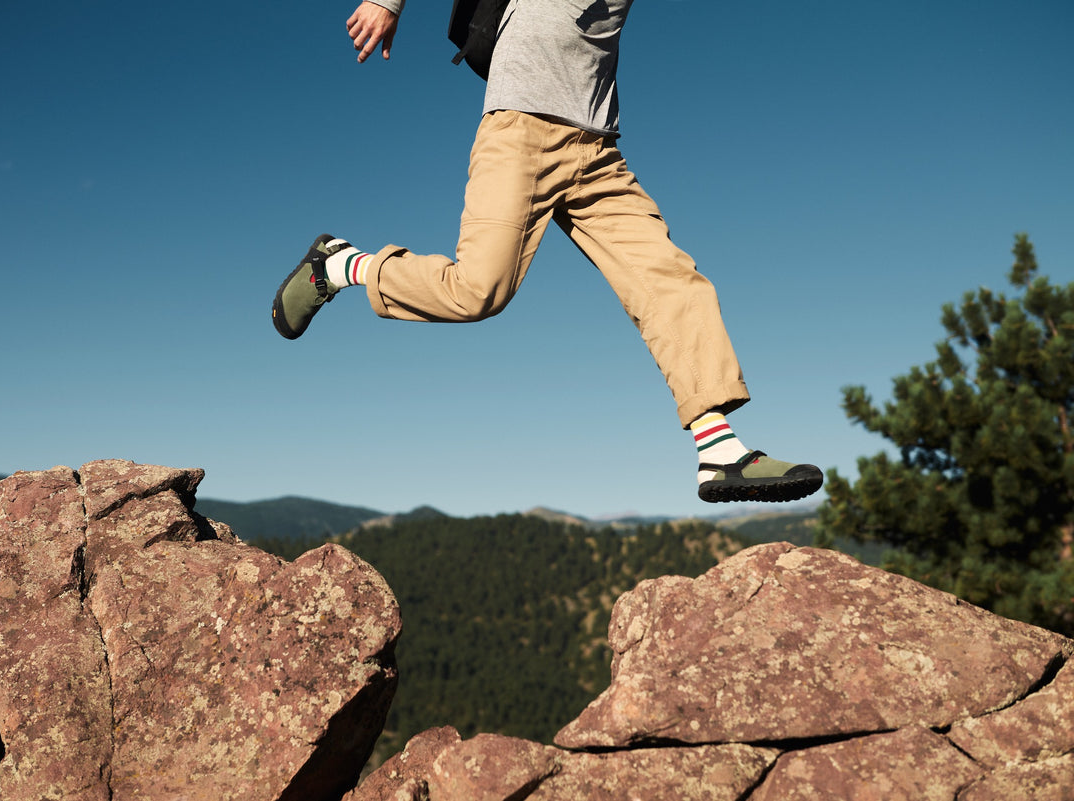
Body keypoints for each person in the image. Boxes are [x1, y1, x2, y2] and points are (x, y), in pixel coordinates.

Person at [272, 0, 823, 504]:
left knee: (671, 281)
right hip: (521, 127)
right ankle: (342, 264)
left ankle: (720, 451)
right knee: (477, 290)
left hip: (599, 151)